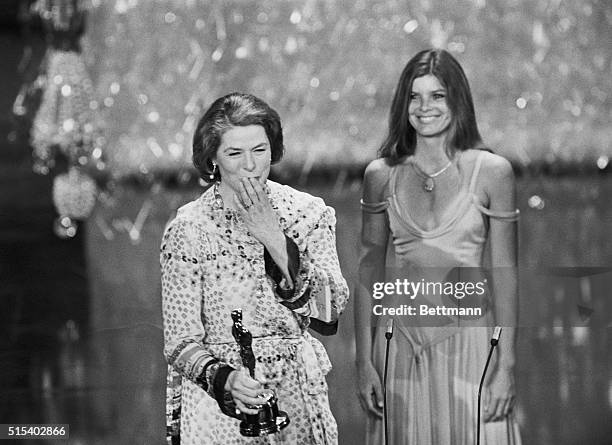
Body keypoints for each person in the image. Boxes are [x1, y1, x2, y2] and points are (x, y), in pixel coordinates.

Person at [354, 49, 522, 444]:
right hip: (398, 344)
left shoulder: (492, 172)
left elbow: (506, 275)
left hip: (472, 344)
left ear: (457, 101)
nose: (424, 107)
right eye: (415, 96)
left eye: (437, 96)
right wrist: (363, 361)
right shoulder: (381, 176)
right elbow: (368, 273)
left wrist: (506, 365)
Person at [161, 92, 349, 445]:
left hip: (296, 395)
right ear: (212, 160)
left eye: (259, 150)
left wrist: (274, 237)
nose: (250, 164)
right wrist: (226, 380)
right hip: (221, 406)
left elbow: (330, 313)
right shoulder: (188, 228)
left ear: (273, 150)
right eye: (234, 153)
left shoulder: (308, 213)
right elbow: (179, 341)